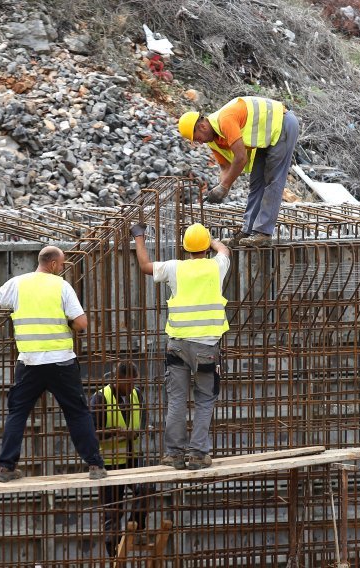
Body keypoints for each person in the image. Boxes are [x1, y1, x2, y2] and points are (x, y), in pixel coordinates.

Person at [0, 245, 108, 482]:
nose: (62, 269)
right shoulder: (61, 286)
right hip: (61, 362)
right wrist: (68, 325)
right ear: (52, 264)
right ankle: (94, 465)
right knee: (77, 413)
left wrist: (14, 306)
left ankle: (6, 467)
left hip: (29, 362)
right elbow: (81, 323)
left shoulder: (17, 283)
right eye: (61, 265)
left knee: (18, 413)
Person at [130, 222, 230, 470]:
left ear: (184, 247)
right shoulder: (216, 266)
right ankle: (197, 454)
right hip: (207, 347)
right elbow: (225, 250)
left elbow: (144, 266)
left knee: (176, 400)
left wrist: (139, 237)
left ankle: (174, 454)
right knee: (205, 400)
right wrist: (213, 241)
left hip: (177, 345)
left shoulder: (175, 268)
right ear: (206, 247)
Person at [177, 96, 300, 247]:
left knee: (272, 179)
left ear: (202, 127)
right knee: (256, 182)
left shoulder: (225, 120)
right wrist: (222, 186)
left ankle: (264, 232)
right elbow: (225, 167)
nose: (200, 142)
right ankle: (248, 231)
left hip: (283, 123)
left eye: (197, 138)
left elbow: (240, 158)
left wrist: (224, 187)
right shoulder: (213, 140)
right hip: (266, 135)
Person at [90, 361, 154, 556]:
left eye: (133, 382)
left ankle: (135, 527)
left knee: (146, 488)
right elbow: (91, 433)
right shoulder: (100, 398)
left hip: (132, 457)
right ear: (116, 379)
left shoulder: (137, 395)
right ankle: (114, 555)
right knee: (112, 514)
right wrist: (113, 433)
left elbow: (143, 423)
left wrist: (135, 433)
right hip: (108, 463)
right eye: (127, 383)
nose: (131, 387)